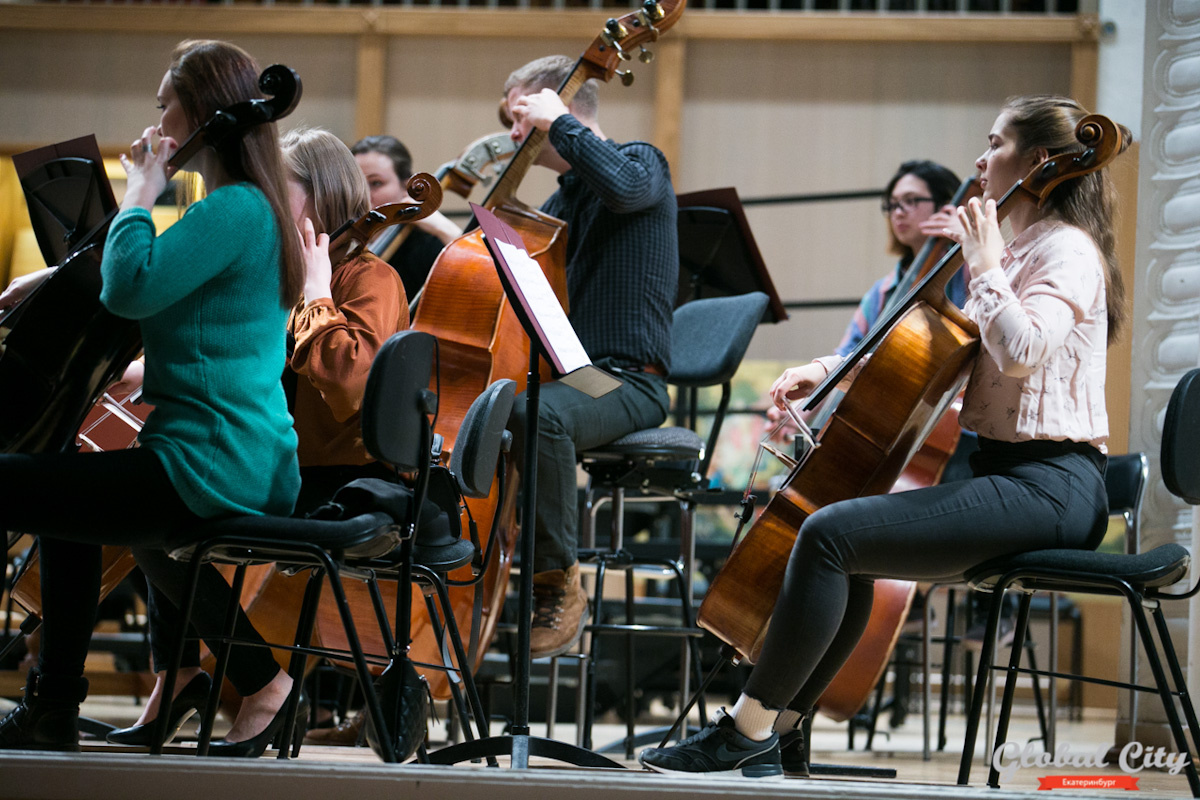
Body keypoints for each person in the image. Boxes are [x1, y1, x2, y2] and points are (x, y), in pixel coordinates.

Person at [640, 94, 1128, 778]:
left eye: (995, 143)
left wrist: (983, 267)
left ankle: (742, 732)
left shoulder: (1066, 252)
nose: (982, 160)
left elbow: (1023, 352)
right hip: (1004, 476)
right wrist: (822, 370)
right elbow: (929, 351)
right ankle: (780, 733)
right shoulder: (1014, 250)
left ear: (1041, 162)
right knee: (848, 546)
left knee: (829, 534)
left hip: (1053, 487)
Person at [0, 39, 303, 753]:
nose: (156, 117)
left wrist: (141, 186)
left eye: (164, 102)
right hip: (223, 453)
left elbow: (132, 285)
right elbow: (155, 279)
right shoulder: (241, 210)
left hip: (210, 460)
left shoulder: (235, 209)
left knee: (36, 488)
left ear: (200, 111)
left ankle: (55, 706)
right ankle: (54, 707)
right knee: (67, 501)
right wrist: (48, 281)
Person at [107, 126, 410, 753]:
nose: (263, 203)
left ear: (321, 201)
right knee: (158, 500)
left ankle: (260, 684)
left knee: (160, 514)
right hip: (273, 458)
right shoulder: (279, 266)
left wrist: (317, 294)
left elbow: (350, 384)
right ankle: (180, 676)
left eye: (279, 190)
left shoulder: (369, 277)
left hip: (339, 479)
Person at [501, 55, 677, 659]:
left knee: (538, 414)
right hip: (577, 376)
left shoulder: (642, 163)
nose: (513, 136)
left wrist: (558, 124)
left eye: (519, 116)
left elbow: (625, 190)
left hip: (624, 381)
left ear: (558, 105)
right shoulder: (560, 204)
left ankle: (556, 582)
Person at [350, 135, 461, 303]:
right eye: (356, 183)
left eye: (376, 183)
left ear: (406, 187)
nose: (363, 194)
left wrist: (445, 229)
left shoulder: (427, 245)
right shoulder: (336, 241)